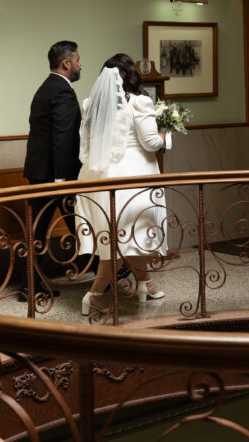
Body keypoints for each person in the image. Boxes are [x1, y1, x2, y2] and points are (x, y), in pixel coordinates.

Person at [77, 54, 169, 316]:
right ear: (132, 75)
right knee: (120, 239)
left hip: (98, 177)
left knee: (124, 234)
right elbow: (151, 142)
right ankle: (94, 295)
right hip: (133, 177)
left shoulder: (91, 104)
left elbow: (89, 143)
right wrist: (166, 131)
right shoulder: (139, 102)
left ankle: (145, 283)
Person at [23, 40, 83, 301]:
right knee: (80, 224)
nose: (80, 64)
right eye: (78, 60)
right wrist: (61, 179)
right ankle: (109, 274)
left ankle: (30, 285)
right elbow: (62, 137)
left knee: (42, 230)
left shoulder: (46, 87)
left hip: (40, 171)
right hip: (55, 176)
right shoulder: (62, 92)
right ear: (66, 63)